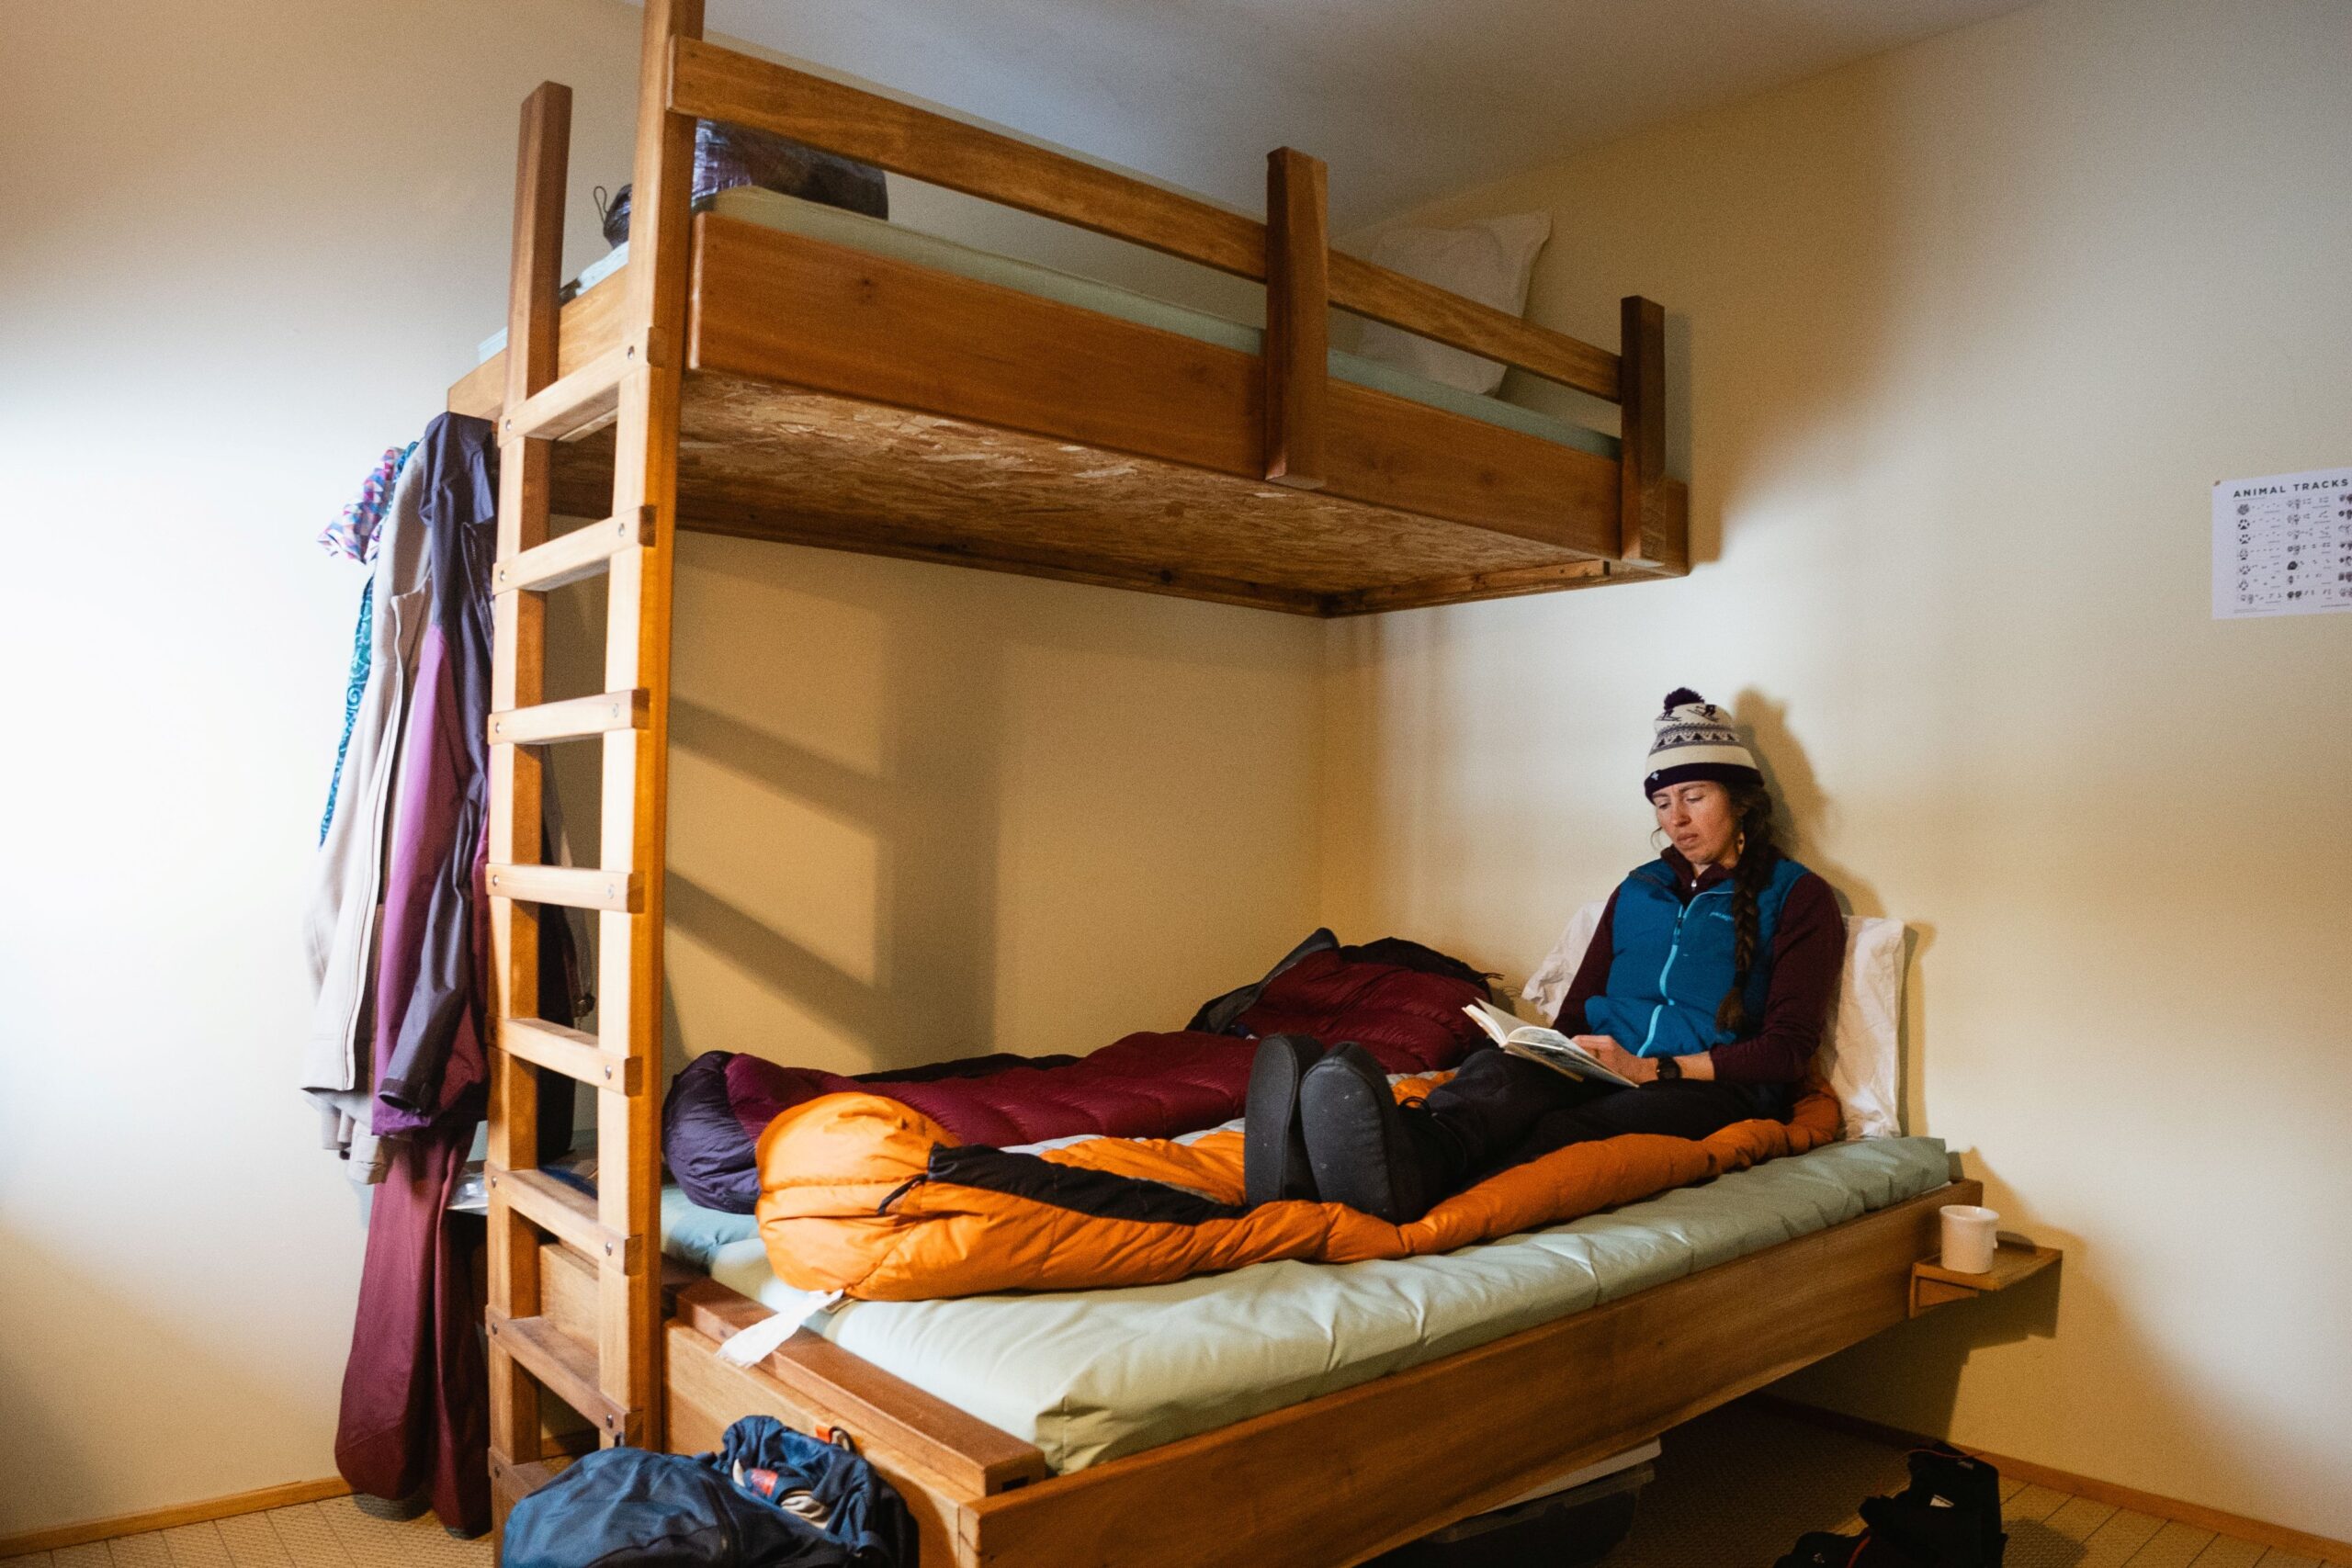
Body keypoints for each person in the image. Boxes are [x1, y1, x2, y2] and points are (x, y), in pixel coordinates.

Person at [1243, 689, 1847, 1223]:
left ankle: (1370, 1181)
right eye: (1662, 803)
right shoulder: (1639, 888)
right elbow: (1579, 1012)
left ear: (1740, 799)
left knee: (1568, 1131)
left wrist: (1655, 1069)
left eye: (1694, 795)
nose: (1677, 819)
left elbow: (1787, 1048)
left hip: (1704, 1087)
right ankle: (1356, 1163)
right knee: (1496, 1078)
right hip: (1605, 1062)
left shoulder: (1798, 896)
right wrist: (1544, 1051)